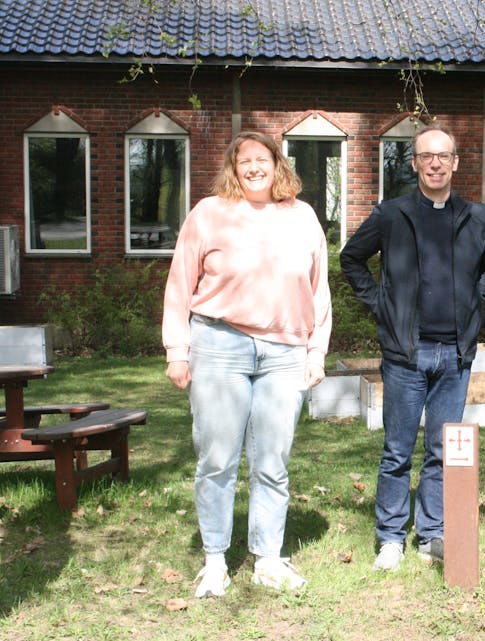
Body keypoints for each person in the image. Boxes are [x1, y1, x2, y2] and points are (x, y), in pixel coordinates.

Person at [162, 131, 332, 597]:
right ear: (233, 169)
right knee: (217, 459)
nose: (255, 168)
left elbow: (318, 289)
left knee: (272, 460)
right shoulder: (209, 213)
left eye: (263, 159)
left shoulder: (302, 216)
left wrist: (316, 351)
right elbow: (179, 283)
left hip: (285, 352)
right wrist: (177, 350)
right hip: (220, 345)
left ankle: (268, 560)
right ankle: (215, 561)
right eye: (245, 162)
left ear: (278, 164)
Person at [340, 124, 485, 571]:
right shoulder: (391, 214)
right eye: (426, 156)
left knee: (442, 449)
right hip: (406, 354)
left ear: (455, 163)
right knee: (397, 450)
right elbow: (351, 258)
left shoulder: (476, 217)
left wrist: (472, 300)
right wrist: (382, 304)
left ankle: (432, 532)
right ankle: (391, 537)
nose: (435, 163)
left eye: (443, 155)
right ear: (414, 163)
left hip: (455, 355)